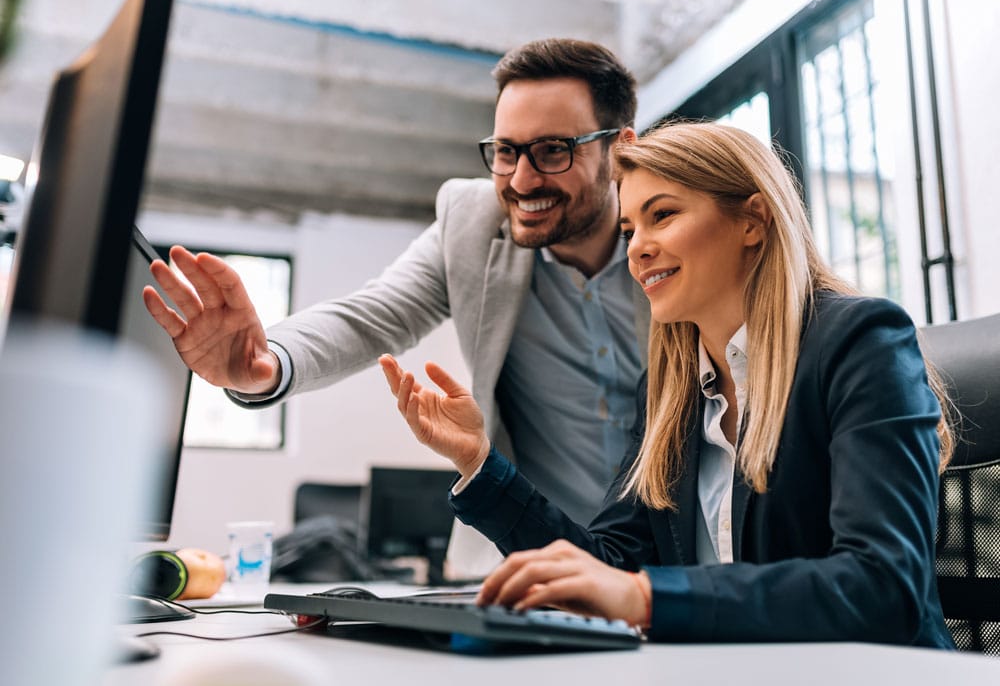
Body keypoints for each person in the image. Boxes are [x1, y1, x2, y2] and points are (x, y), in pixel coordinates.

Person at [378, 121, 956, 646]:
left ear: (752, 220)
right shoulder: (668, 390)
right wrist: (480, 463)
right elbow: (607, 566)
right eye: (630, 227)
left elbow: (883, 585)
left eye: (664, 216)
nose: (638, 248)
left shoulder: (862, 343)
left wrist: (647, 599)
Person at [142, 39, 648, 536]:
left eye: (552, 151)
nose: (520, 180)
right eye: (506, 151)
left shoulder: (678, 239)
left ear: (621, 148)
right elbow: (374, 315)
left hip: (679, 560)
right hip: (537, 556)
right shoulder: (472, 223)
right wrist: (267, 363)